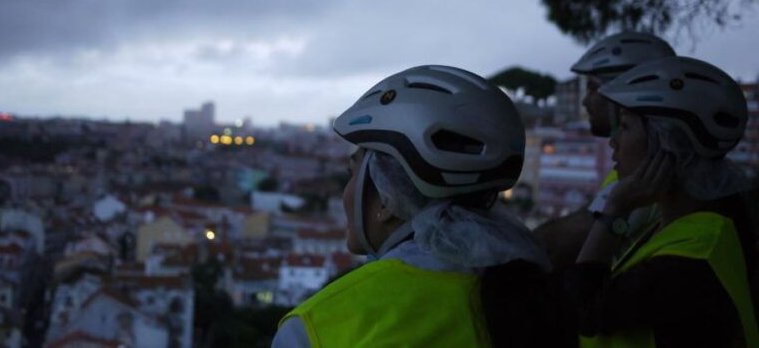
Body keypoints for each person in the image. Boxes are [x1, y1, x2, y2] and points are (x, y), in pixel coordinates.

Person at [272, 65, 577, 347]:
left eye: (351, 174)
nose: (346, 191)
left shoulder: (315, 328)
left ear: (387, 199)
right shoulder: (540, 292)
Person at [567, 56, 759, 346]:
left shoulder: (686, 261)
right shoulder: (687, 226)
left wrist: (615, 209)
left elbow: (580, 310)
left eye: (627, 127)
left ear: (667, 145)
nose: (613, 140)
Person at [534, 31, 676, 268]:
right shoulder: (633, 164)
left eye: (592, 88)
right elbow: (589, 216)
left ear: (622, 95)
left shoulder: (651, 173)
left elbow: (563, 243)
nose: (585, 101)